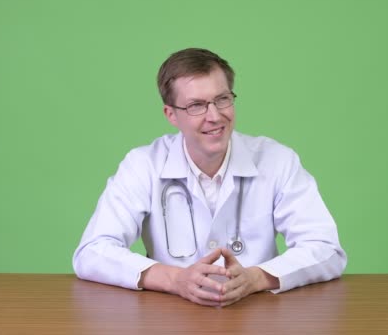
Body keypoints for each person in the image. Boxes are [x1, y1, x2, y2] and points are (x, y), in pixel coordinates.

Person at [73, 48, 347, 307]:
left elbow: (326, 249)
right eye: (196, 106)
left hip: (257, 315)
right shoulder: (143, 164)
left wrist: (256, 278)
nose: (214, 116)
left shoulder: (277, 159)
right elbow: (92, 252)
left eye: (222, 99)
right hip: (170, 316)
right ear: (171, 114)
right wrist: (175, 279)